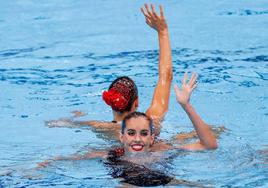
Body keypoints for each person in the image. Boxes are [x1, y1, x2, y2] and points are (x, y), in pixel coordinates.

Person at [38, 73, 217, 186]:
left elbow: (209, 145)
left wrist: (186, 106)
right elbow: (65, 159)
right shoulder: (110, 154)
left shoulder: (163, 150)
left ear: (152, 138)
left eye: (144, 133)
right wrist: (38, 166)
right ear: (122, 137)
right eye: (131, 133)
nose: (137, 139)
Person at [47, 4, 172, 138]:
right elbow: (166, 77)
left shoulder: (101, 127)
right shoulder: (150, 123)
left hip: (113, 158)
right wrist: (162, 32)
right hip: (155, 157)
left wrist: (75, 116)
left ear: (109, 102)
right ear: (136, 102)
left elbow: (54, 123)